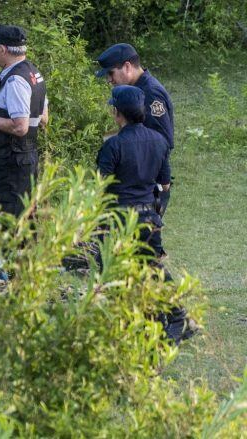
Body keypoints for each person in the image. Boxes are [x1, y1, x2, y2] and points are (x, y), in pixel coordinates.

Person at [96, 85, 197, 344]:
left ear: (118, 114)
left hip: (121, 219)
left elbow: (101, 187)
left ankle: (133, 324)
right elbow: (165, 185)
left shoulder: (113, 145)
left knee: (116, 272)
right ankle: (175, 316)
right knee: (152, 267)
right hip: (149, 217)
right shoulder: (159, 141)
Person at [0, 25, 48, 300]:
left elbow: (19, 126)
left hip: (9, 162)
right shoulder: (33, 74)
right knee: (24, 219)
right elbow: (43, 118)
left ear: (3, 49)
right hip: (25, 160)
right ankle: (26, 283)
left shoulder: (16, 81)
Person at [95, 43, 174, 217]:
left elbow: (163, 142)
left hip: (146, 187)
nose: (109, 80)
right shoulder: (135, 91)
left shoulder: (150, 93)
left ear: (127, 67)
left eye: (111, 73)